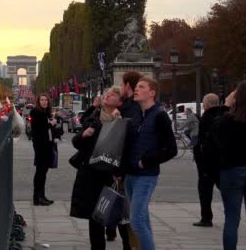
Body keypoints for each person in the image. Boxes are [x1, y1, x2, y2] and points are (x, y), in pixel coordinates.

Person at [70, 87, 131, 250]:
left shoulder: (123, 120)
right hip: (92, 174)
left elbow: (126, 150)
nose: (107, 95)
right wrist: (83, 135)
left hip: (112, 175)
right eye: (106, 94)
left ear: (119, 102)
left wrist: (121, 174)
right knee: (95, 217)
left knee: (120, 215)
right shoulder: (94, 117)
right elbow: (76, 142)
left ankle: (129, 245)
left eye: (113, 95)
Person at [123, 77, 177, 250]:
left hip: (145, 175)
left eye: (141, 87)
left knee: (136, 220)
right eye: (136, 86)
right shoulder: (137, 114)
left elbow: (171, 149)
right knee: (142, 218)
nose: (136, 89)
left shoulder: (160, 116)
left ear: (152, 93)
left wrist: (145, 161)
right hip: (130, 175)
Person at [212, 82, 246, 250]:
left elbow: (213, 130)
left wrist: (225, 105)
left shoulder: (227, 120)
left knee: (231, 218)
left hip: (232, 170)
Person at [105, 71, 143, 243]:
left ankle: (134, 244)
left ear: (127, 85)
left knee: (131, 213)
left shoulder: (132, 108)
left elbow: (129, 138)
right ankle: (128, 241)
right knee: (127, 209)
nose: (120, 87)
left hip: (128, 167)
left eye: (121, 84)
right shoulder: (128, 106)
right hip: (122, 166)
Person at [192, 93, 229, 227]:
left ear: (205, 105)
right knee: (225, 188)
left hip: (206, 162)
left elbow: (203, 141)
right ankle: (229, 213)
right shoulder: (225, 115)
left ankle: (206, 218)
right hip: (221, 161)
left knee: (205, 191)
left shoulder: (206, 118)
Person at [30, 94, 60, 206]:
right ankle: (37, 197)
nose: (44, 102)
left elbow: (49, 130)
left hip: (47, 145)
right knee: (40, 172)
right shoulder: (36, 112)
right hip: (40, 146)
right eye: (42, 100)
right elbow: (38, 129)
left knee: (43, 172)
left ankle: (41, 196)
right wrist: (50, 124)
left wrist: (52, 124)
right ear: (38, 101)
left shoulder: (46, 113)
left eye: (46, 100)